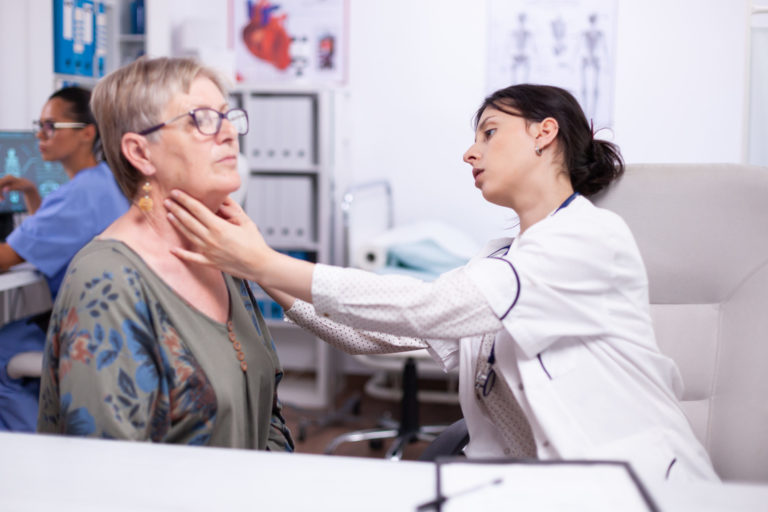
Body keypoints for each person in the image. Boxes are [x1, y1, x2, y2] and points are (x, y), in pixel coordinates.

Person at [164, 83, 720, 483]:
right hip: (528, 483)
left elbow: (429, 308)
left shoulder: (587, 239)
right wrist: (263, 273)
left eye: (489, 131)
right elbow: (381, 338)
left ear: (544, 134)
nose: (469, 151)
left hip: (631, 485)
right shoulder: (499, 257)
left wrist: (264, 263)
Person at [37, 57, 293, 452]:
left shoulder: (223, 253)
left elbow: (267, 418)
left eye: (227, 117)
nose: (228, 134)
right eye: (201, 119)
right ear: (140, 153)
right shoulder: (107, 283)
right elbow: (106, 476)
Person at [0, 86, 129, 432]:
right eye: (39, 126)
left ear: (87, 133)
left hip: (87, 333)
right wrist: (30, 192)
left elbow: (5, 258)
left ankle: (27, 454)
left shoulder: (78, 196)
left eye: (50, 126)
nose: (41, 135)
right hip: (116, 325)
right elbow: (52, 235)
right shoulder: (105, 181)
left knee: (2, 350)